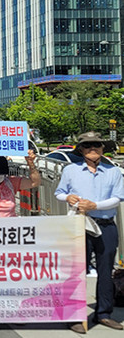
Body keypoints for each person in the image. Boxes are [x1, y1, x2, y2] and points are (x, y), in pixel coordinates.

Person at [55, 132, 124, 333]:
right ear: (81, 150)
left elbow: (118, 198)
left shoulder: (114, 171)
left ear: (103, 148)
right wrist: (68, 197)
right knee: (76, 271)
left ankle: (104, 313)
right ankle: (74, 315)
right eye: (87, 145)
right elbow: (59, 193)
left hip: (106, 225)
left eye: (96, 145)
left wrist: (95, 205)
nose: (92, 148)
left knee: (106, 270)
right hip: (79, 225)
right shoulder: (70, 170)